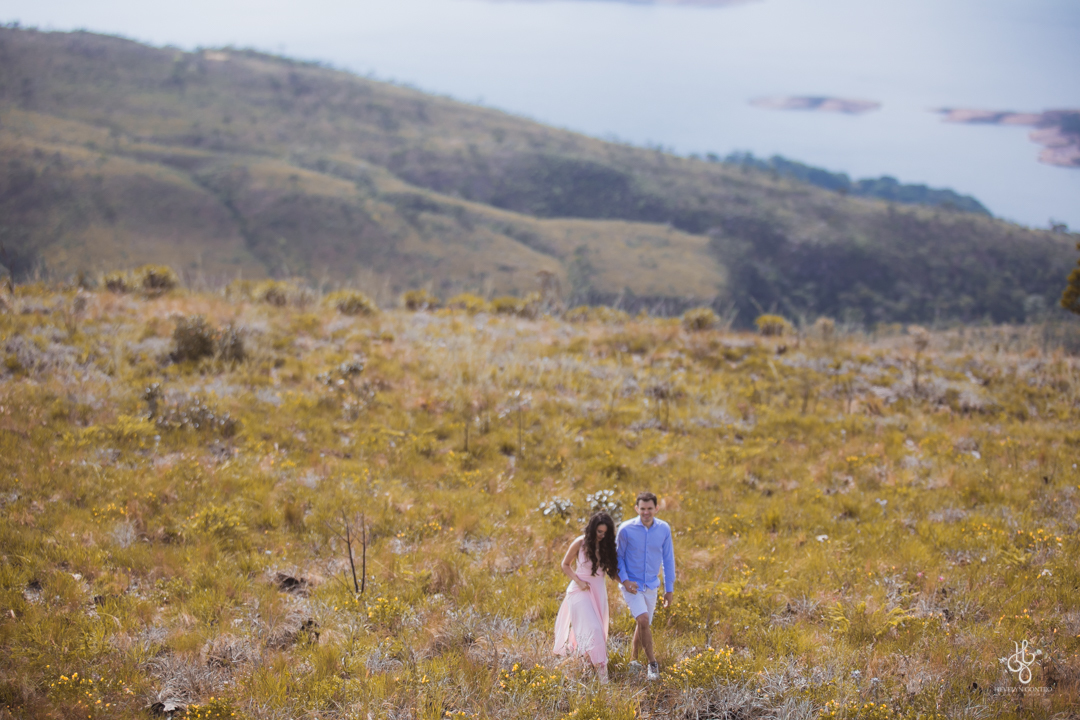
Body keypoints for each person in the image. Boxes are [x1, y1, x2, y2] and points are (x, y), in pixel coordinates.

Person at [553, 512, 619, 682]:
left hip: (598, 592)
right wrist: (578, 581)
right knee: (594, 630)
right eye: (599, 532)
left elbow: (612, 572)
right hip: (579, 590)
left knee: (595, 631)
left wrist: (626, 583)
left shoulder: (607, 546)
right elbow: (565, 565)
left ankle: (586, 664)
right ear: (592, 529)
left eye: (605, 533)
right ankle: (602, 674)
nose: (602, 535)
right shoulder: (580, 543)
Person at [616, 491, 675, 681]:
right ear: (636, 509)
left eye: (650, 509)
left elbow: (668, 559)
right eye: (642, 509)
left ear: (656, 508)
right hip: (631, 585)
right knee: (643, 620)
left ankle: (633, 661)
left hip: (651, 585)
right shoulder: (626, 529)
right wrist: (625, 581)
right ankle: (652, 663)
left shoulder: (664, 529)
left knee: (643, 624)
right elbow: (619, 558)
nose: (646, 512)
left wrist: (669, 589)